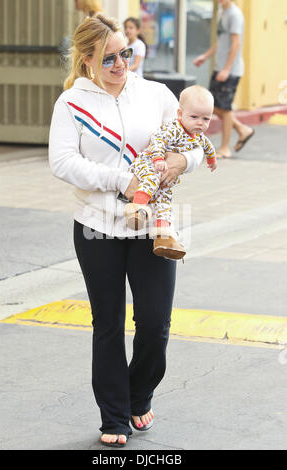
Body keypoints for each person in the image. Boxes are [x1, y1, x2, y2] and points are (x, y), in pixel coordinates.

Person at [49, 14, 204, 448]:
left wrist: (181, 162)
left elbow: (190, 138)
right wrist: (121, 179)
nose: (121, 64)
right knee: (109, 325)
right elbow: (61, 161)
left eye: (127, 53)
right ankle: (115, 417)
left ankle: (141, 393)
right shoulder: (71, 104)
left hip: (154, 226)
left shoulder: (154, 93)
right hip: (97, 225)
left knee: (155, 324)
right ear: (87, 61)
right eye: (110, 58)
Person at [124, 85, 217, 260]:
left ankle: (163, 235)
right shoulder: (174, 129)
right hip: (148, 163)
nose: (200, 123)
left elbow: (208, 148)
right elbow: (158, 140)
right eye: (194, 117)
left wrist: (212, 160)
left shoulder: (198, 136)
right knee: (151, 180)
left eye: (206, 119)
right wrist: (158, 159)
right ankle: (137, 209)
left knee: (165, 198)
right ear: (180, 114)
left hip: (165, 172)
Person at [193, 0, 254, 158]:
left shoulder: (235, 14)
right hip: (219, 67)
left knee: (225, 109)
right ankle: (242, 129)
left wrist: (227, 69)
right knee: (215, 107)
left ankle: (225, 148)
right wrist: (205, 57)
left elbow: (235, 43)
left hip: (230, 70)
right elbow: (221, 41)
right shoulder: (222, 12)